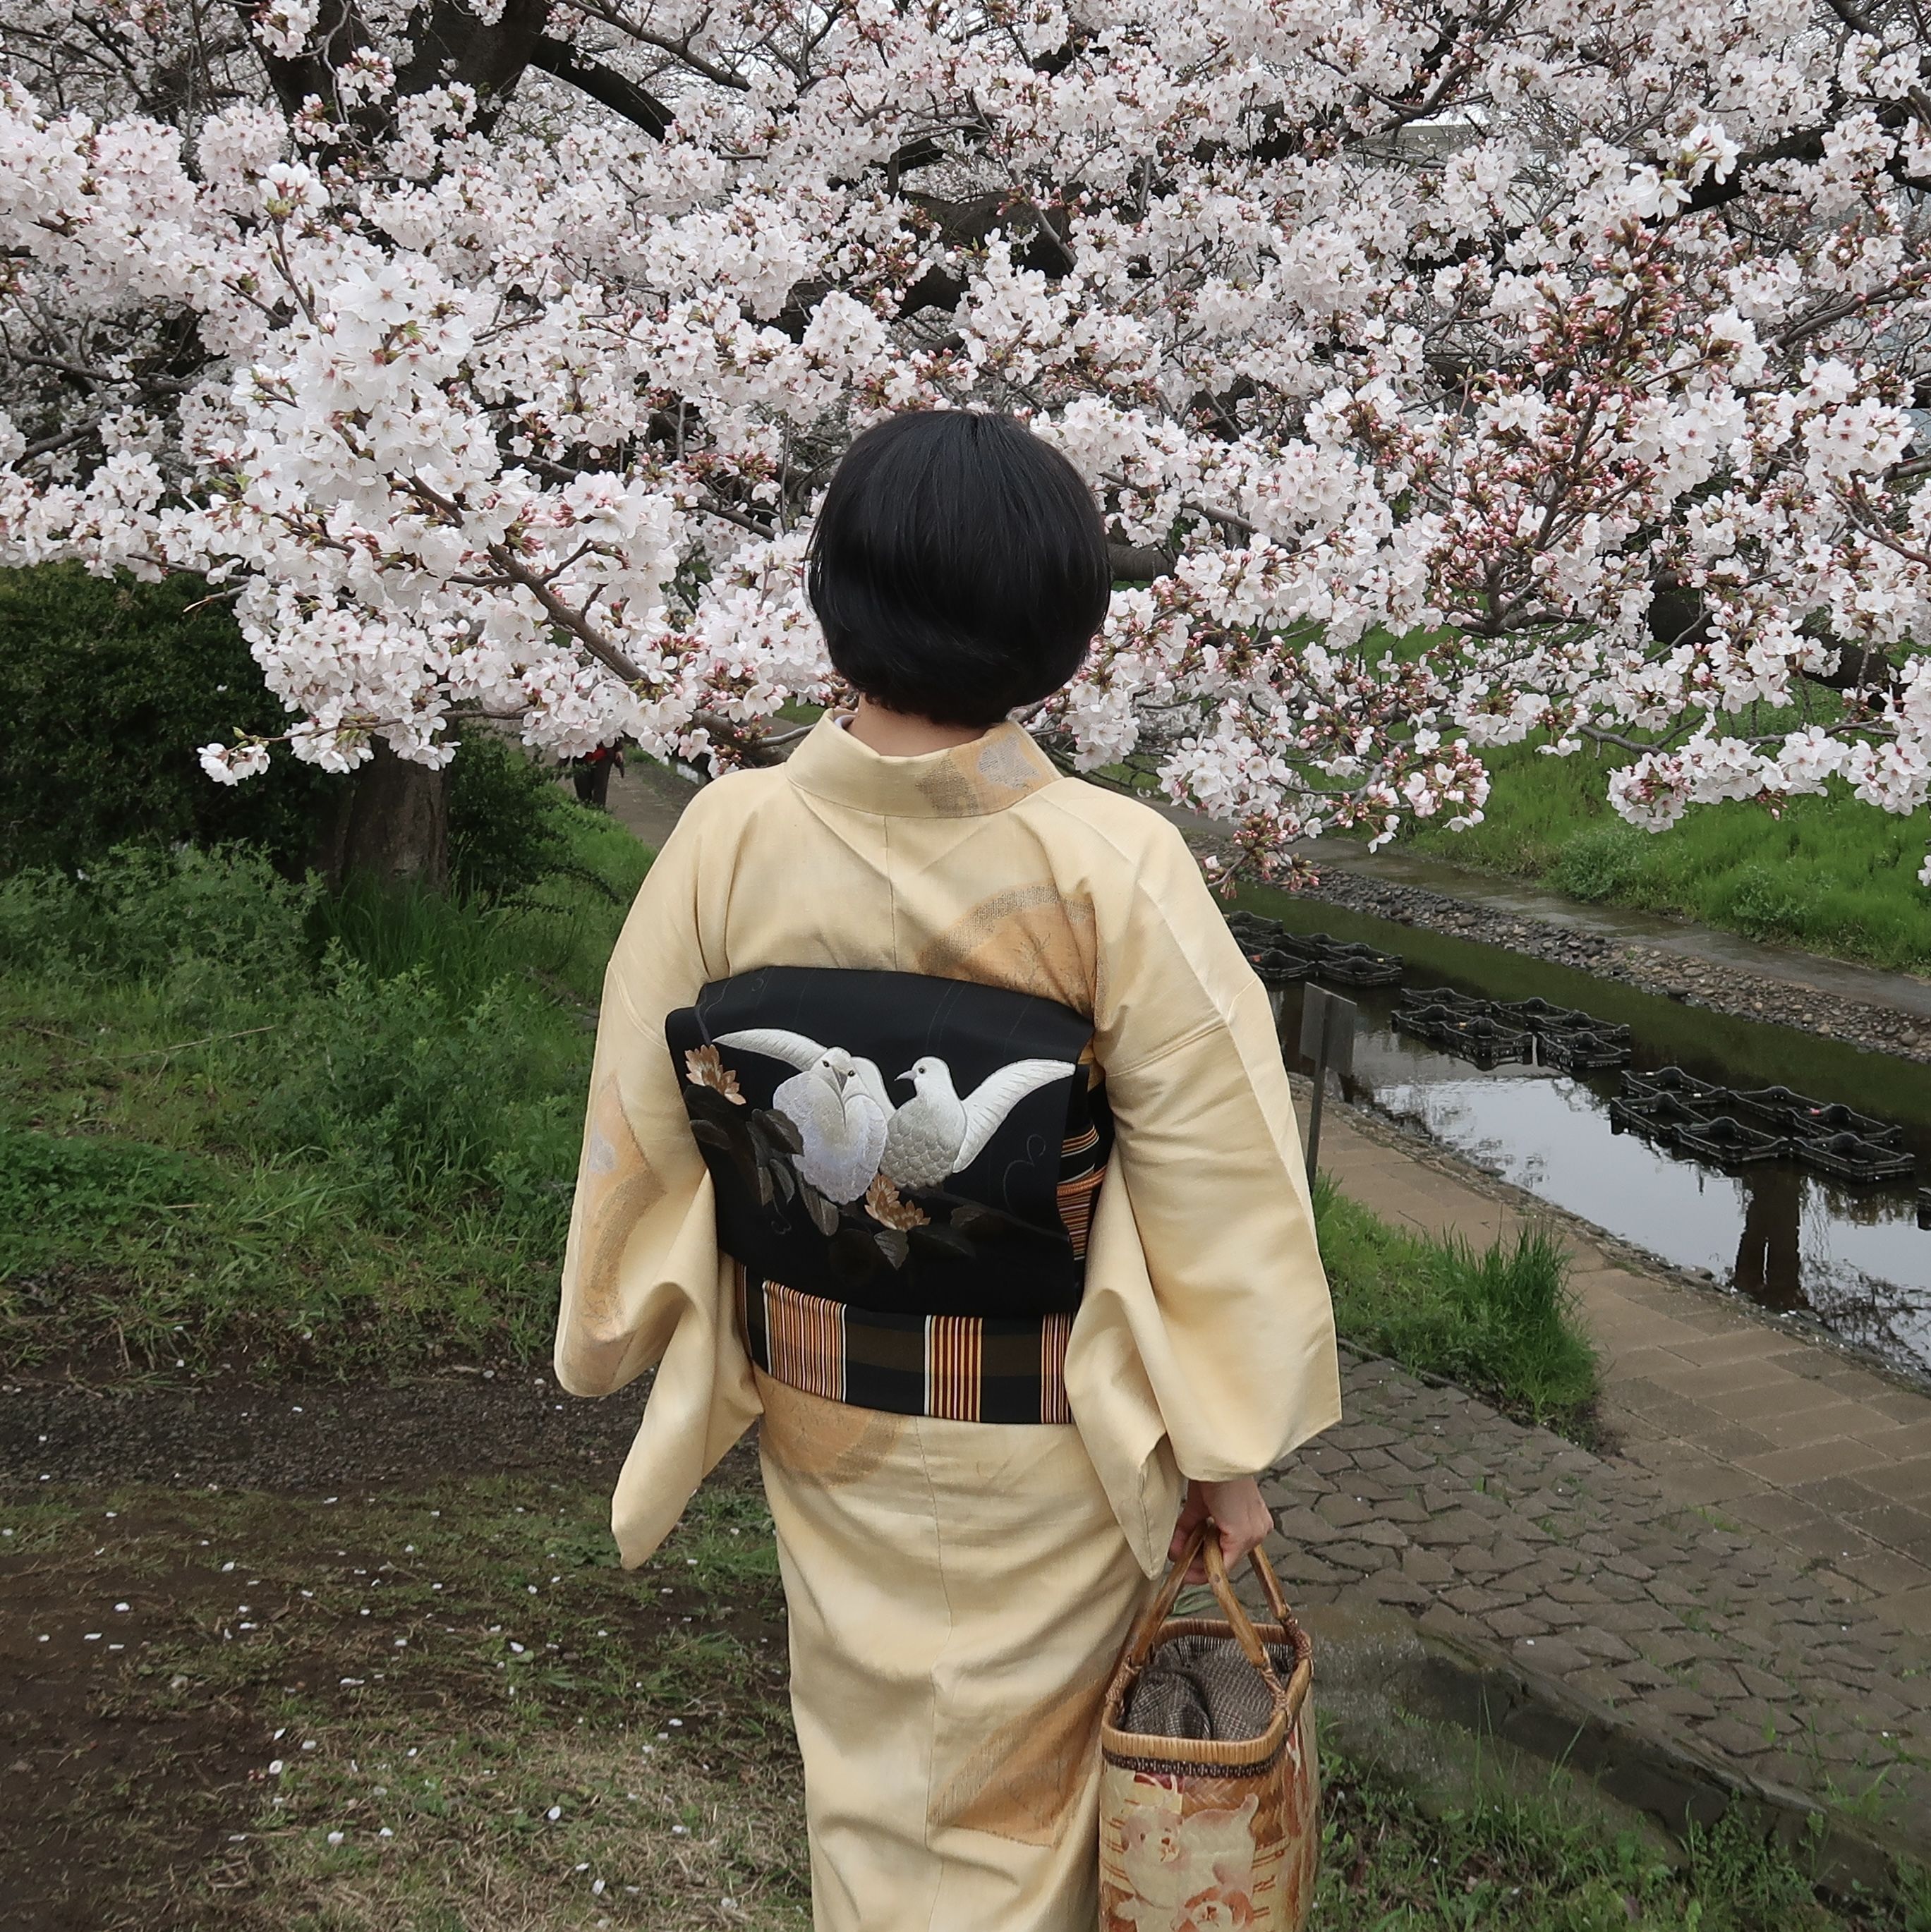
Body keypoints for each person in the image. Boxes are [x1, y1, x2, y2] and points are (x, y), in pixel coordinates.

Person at [554, 408, 1340, 1931]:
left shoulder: (725, 835)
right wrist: (1225, 1445)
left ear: (832, 597)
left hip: (823, 1396)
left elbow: (644, 1117)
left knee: (863, 1772)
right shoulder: (1111, 864)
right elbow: (1215, 1173)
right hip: (1041, 1438)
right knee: (1028, 1802)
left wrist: (629, 1318)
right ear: (1060, 632)